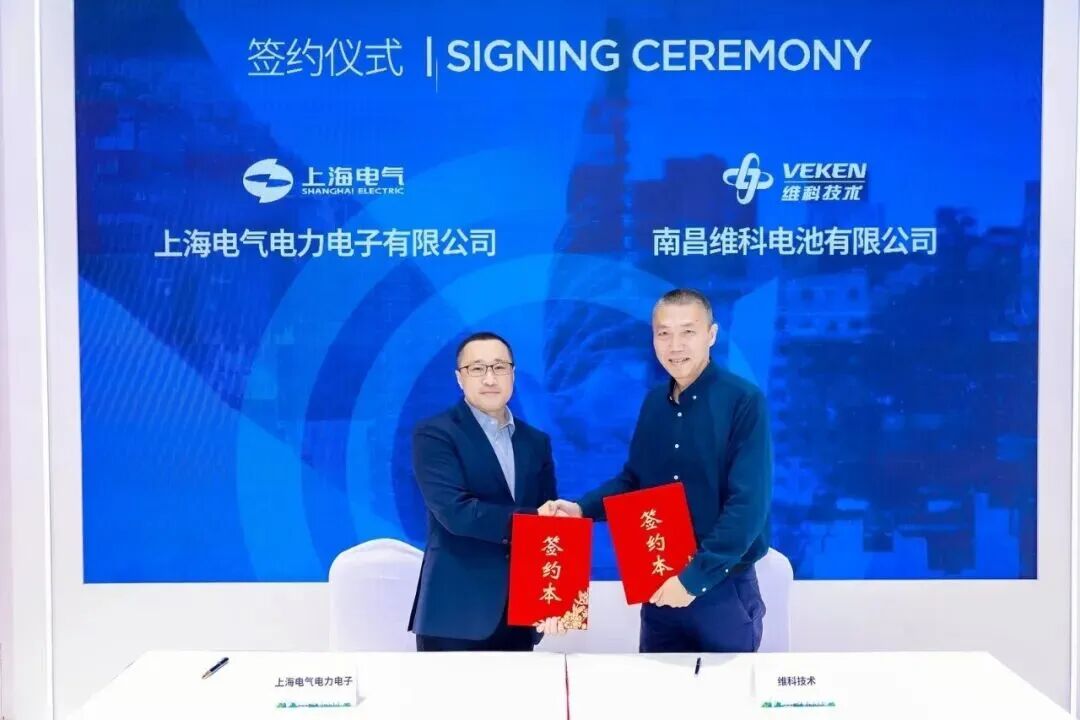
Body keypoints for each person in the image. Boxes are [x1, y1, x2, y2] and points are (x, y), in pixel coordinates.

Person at [541, 289, 773, 652]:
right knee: (655, 686)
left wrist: (693, 580)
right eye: (664, 333)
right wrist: (581, 509)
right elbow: (634, 481)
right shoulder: (654, 403)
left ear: (711, 335)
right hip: (659, 580)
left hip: (721, 588)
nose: (675, 345)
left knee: (725, 689)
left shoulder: (742, 400)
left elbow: (748, 506)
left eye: (688, 332)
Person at [409, 331, 564, 650]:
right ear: (459, 378)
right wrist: (535, 518)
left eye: (499, 367)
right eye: (477, 368)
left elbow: (549, 528)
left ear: (513, 374)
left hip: (520, 615)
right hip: (456, 615)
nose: (490, 378)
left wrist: (551, 600)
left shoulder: (536, 442)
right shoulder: (435, 434)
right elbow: (456, 513)